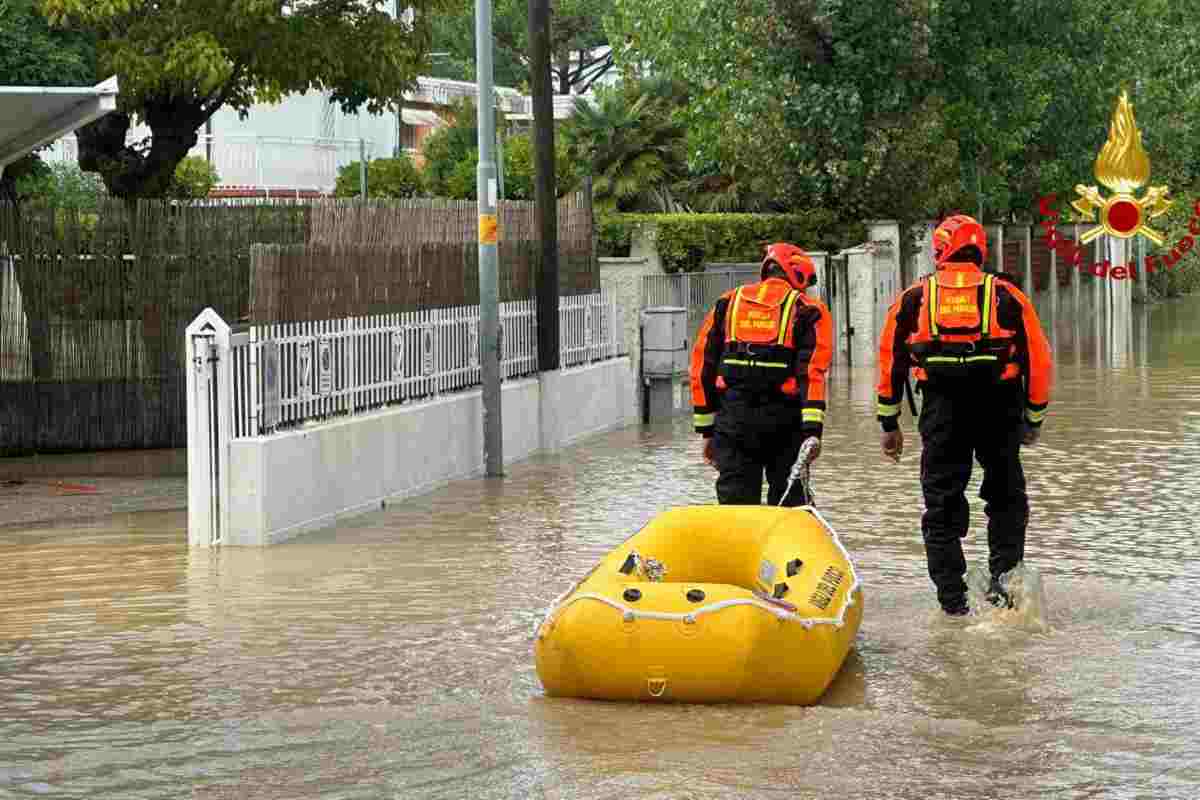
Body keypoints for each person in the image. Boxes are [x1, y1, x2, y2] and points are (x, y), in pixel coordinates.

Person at [876, 214, 1052, 616]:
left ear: (940, 249)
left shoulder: (914, 298)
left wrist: (890, 424)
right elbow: (1039, 361)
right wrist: (1034, 419)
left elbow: (890, 363)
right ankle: (1004, 596)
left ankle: (952, 606)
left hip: (941, 410)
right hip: (1000, 408)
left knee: (941, 505)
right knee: (1006, 500)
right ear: (980, 249)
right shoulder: (1007, 295)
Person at [689, 243, 833, 506]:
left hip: (733, 423)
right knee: (791, 508)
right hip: (786, 425)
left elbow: (702, 367)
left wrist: (707, 431)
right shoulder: (808, 309)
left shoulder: (728, 302)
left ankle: (738, 546)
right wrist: (813, 432)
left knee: (736, 509)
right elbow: (812, 373)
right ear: (798, 275)